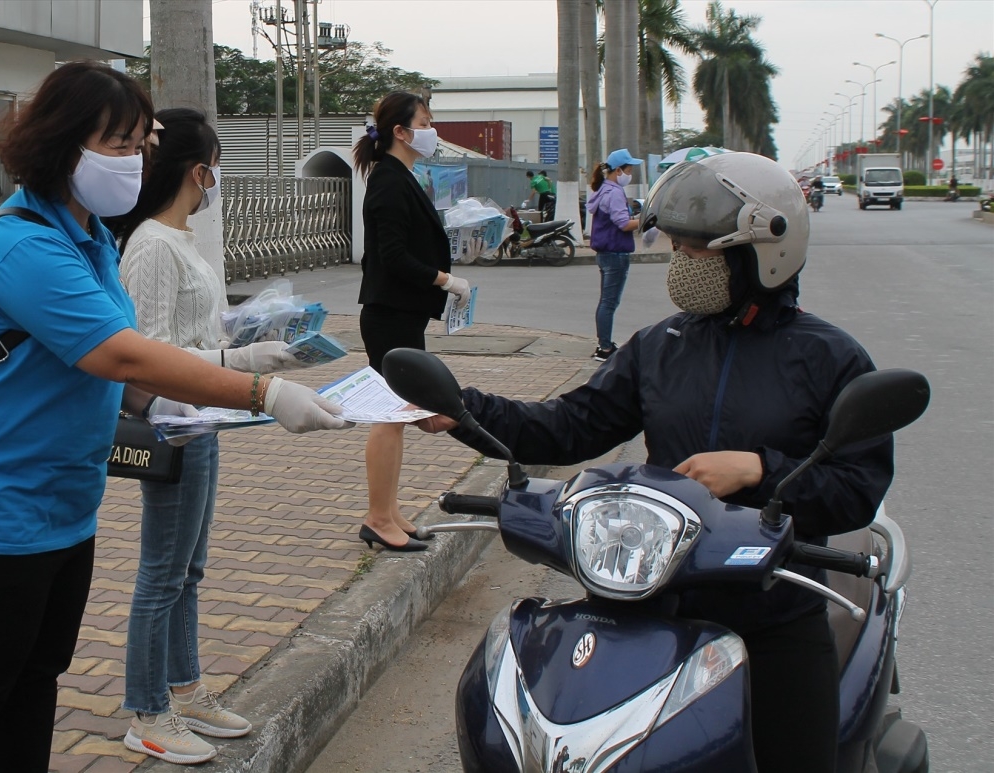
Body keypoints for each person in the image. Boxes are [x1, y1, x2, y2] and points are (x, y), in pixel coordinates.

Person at [0, 62, 347, 772]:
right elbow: (124, 356)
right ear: (61, 143)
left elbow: (124, 377)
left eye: (142, 143)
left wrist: (211, 386)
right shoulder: (25, 245)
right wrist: (260, 395)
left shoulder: (90, 241)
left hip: (62, 506)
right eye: (118, 143)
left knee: (34, 683)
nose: (136, 161)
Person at [418, 152, 894, 773]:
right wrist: (464, 411)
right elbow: (570, 426)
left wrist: (758, 469)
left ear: (761, 256)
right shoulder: (660, 346)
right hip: (655, 601)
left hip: (774, 611)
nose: (681, 267)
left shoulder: (830, 359)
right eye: (676, 249)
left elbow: (857, 488)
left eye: (697, 253)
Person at [109, 108, 310, 763]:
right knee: (162, 571)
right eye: (216, 166)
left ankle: (185, 687)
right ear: (199, 171)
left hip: (206, 419)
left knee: (188, 568)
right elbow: (153, 351)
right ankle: (147, 708)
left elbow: (195, 339)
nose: (216, 178)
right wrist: (248, 365)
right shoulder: (150, 245)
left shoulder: (180, 239)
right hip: (174, 424)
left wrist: (249, 335)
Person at [352, 91, 470, 552]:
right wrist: (445, 279)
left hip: (402, 315)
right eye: (424, 121)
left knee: (398, 415)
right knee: (388, 415)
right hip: (388, 316)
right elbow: (393, 256)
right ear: (400, 132)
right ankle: (378, 517)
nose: (430, 129)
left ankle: (389, 511)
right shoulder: (388, 180)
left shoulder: (402, 176)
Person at [585, 148, 642, 362]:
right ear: (619, 170)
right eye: (629, 169)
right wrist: (647, 222)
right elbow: (624, 224)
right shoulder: (615, 192)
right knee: (609, 302)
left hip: (604, 253)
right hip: (616, 253)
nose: (630, 174)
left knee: (606, 301)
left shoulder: (602, 190)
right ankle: (605, 348)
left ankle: (604, 344)